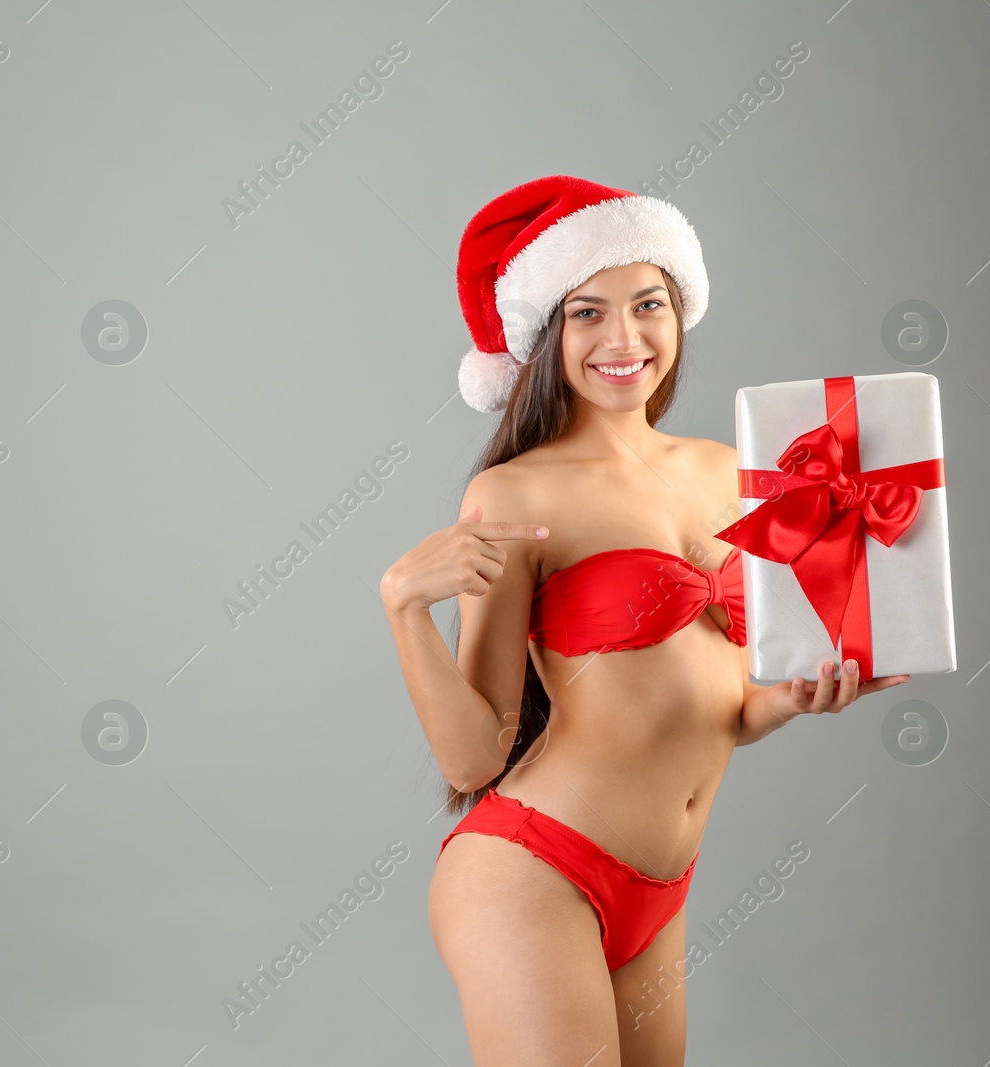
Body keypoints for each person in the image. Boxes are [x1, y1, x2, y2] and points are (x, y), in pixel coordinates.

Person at [379, 175, 910, 1067]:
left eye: (648, 305)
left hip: (662, 887)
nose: (624, 339)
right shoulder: (516, 492)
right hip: (533, 872)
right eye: (587, 313)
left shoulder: (727, 470)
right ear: (548, 337)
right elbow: (475, 756)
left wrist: (790, 700)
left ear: (679, 312)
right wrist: (403, 606)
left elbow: (730, 706)